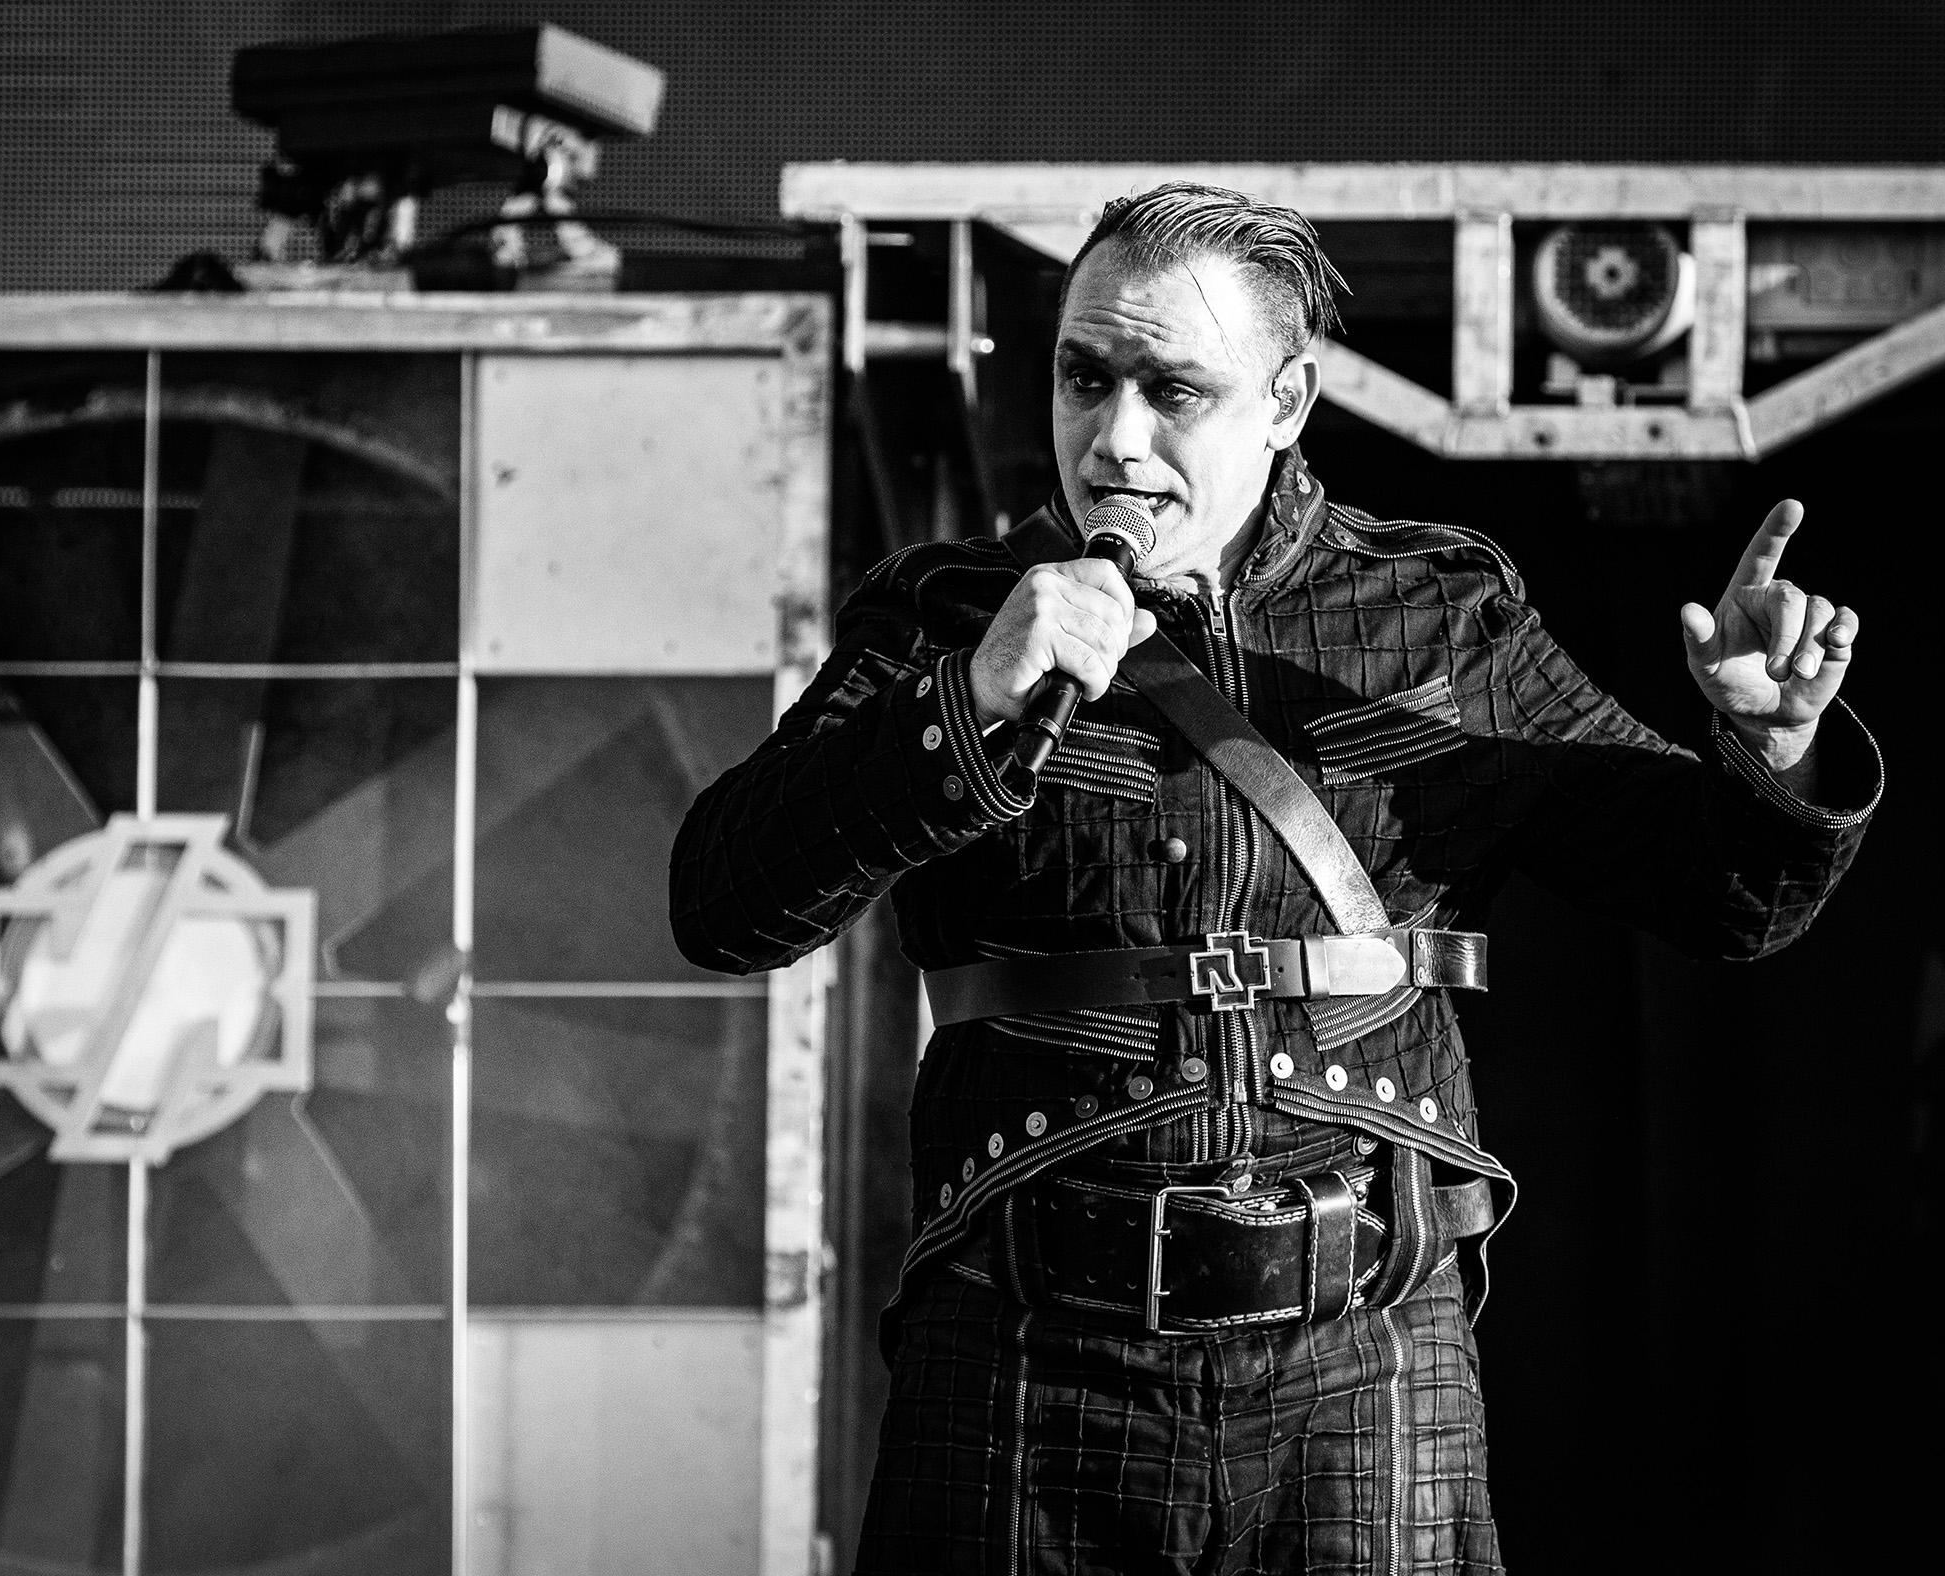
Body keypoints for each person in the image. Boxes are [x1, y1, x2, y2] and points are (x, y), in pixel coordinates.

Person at [670, 182, 1879, 1575]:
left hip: (1365, 1369)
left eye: (1174, 390)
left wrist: (1770, 745)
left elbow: (1720, 895)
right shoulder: (944, 616)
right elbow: (721, 906)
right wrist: (965, 704)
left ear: (1286, 401)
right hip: (1024, 1358)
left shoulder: (1440, 616)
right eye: (1083, 378)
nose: (1115, 440)